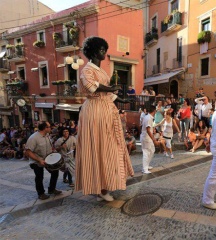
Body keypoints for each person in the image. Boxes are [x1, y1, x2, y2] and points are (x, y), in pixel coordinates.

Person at [75, 37, 134, 202]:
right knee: (100, 148)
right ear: (94, 52)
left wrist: (122, 100)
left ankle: (104, 185)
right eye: (102, 50)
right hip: (95, 112)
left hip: (105, 110)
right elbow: (92, 86)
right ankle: (100, 188)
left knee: (107, 148)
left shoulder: (101, 71)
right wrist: (110, 88)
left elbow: (107, 92)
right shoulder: (86, 70)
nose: (104, 53)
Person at [26, 121, 62, 200]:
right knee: (39, 176)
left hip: (47, 159)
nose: (51, 128)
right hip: (36, 161)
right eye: (49, 127)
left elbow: (49, 147)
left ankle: (51, 189)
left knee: (55, 172)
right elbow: (28, 152)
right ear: (45, 128)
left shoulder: (47, 136)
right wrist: (39, 160)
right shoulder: (33, 138)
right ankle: (41, 193)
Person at [140, 105, 159, 174]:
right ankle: (144, 169)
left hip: (147, 138)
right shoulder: (148, 118)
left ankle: (146, 165)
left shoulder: (148, 117)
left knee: (152, 150)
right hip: (146, 138)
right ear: (154, 111)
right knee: (146, 152)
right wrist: (154, 140)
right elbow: (147, 130)